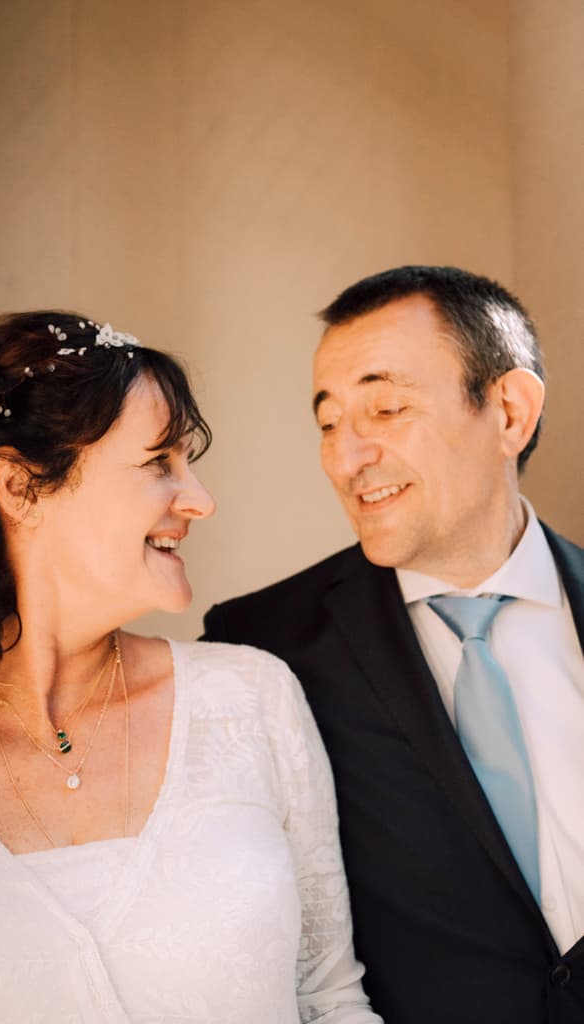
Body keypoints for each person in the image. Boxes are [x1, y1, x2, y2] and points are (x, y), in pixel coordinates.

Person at [0, 311, 382, 1023]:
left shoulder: (250, 698)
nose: (200, 501)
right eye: (158, 462)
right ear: (20, 486)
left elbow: (330, 1001)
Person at [202, 265, 584, 1024]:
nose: (346, 459)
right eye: (328, 422)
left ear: (508, 411)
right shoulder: (261, 651)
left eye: (384, 408)